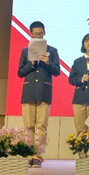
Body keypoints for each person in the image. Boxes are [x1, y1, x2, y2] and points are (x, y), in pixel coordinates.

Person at [18, 21, 60, 155]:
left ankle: (38, 155)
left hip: (44, 92)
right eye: (35, 34)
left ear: (44, 33)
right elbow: (20, 73)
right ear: (30, 34)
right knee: (28, 126)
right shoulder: (25, 51)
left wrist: (48, 62)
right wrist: (31, 64)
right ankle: (28, 154)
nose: (38, 36)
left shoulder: (52, 51)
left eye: (40, 33)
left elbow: (57, 72)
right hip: (29, 92)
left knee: (42, 125)